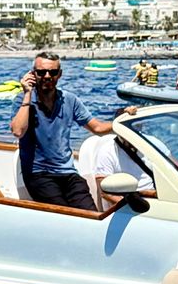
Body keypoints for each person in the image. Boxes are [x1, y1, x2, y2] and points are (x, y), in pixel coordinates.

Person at [9, 51, 117, 211]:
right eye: (41, 72)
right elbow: (18, 131)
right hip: (38, 174)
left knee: (91, 214)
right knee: (66, 214)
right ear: (33, 74)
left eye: (52, 72)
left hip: (68, 173)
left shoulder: (70, 100)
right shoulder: (22, 100)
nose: (47, 76)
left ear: (59, 74)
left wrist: (123, 121)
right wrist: (27, 94)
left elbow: (98, 128)